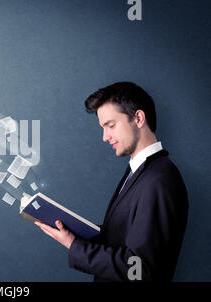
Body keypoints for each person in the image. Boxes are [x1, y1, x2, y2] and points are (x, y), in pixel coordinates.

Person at [34, 82, 188, 281]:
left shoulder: (159, 180)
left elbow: (140, 269)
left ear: (138, 118)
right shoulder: (139, 172)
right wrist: (75, 233)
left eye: (111, 125)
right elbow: (122, 240)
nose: (105, 137)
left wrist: (75, 246)